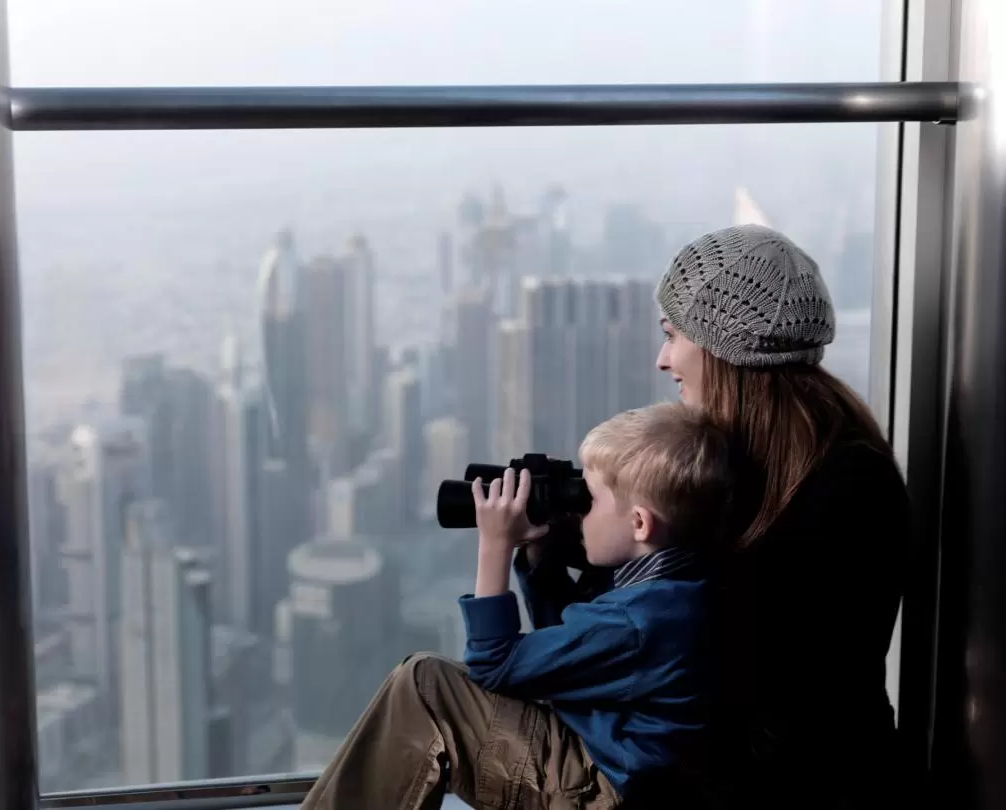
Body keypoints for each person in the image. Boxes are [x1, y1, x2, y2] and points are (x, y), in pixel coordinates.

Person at [301, 402, 737, 809]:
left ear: (639, 522)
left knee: (424, 684)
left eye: (589, 499)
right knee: (427, 680)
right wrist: (539, 557)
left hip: (599, 791)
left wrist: (495, 544)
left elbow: (495, 662)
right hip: (616, 769)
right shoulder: (679, 590)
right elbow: (568, 659)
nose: (577, 512)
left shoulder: (638, 619)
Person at [652, 223, 913, 808]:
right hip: (753, 774)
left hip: (779, 787)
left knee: (428, 690)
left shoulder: (842, 490)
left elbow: (780, 696)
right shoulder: (802, 460)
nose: (663, 358)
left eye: (672, 334)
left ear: (722, 346)